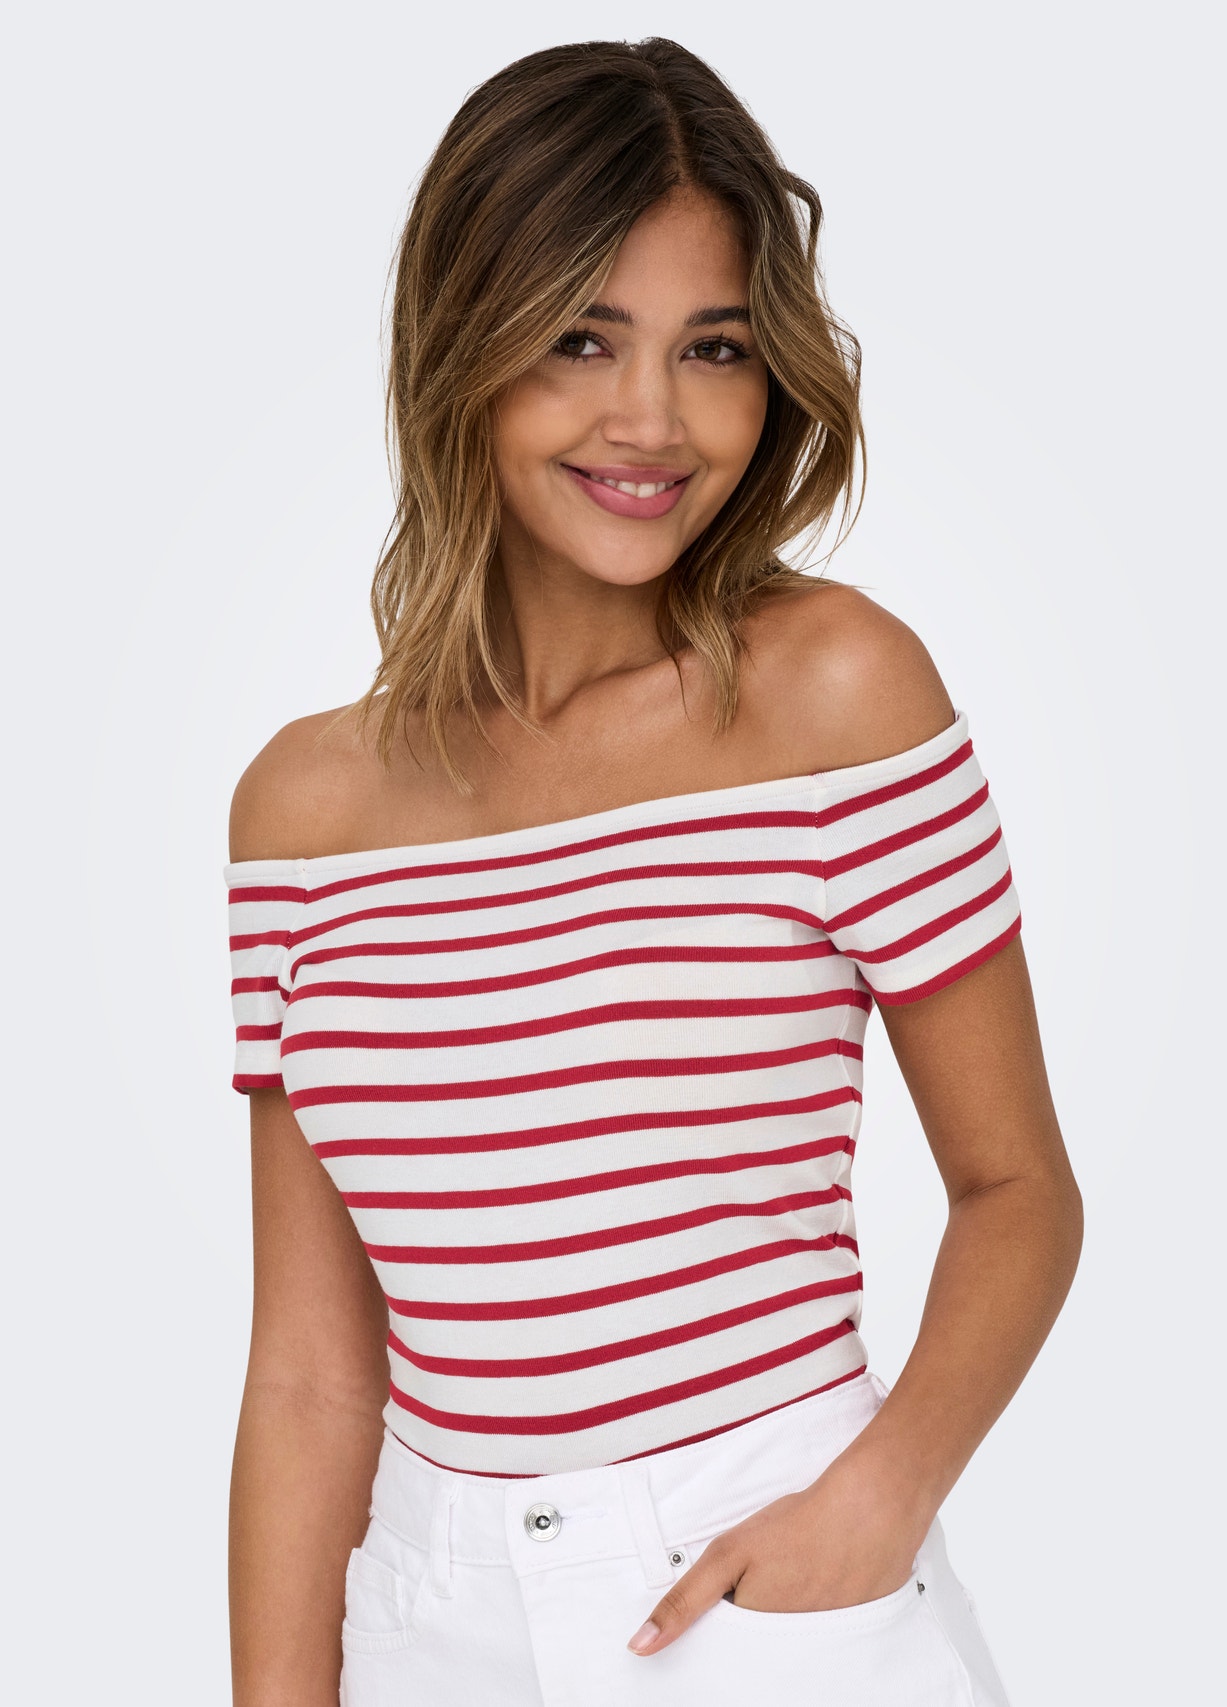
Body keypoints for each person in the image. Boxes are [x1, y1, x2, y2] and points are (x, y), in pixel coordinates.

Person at [224, 37, 1082, 1707]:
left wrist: (876, 1500)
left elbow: (1018, 1192)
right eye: (580, 337)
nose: (653, 420)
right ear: (460, 348)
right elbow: (311, 1378)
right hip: (430, 1615)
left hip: (767, 1580)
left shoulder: (836, 693)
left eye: (715, 348)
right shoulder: (301, 813)